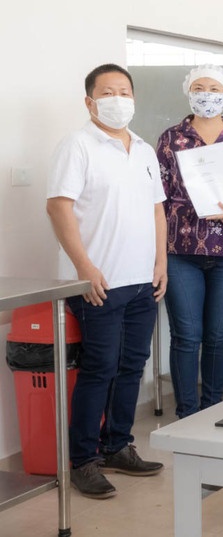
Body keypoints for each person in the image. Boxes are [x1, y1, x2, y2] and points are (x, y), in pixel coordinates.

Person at [46, 64, 167, 499]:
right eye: (108, 91)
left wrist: (161, 263)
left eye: (125, 91)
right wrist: (84, 268)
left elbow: (157, 211)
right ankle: (83, 460)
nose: (118, 98)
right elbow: (59, 207)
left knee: (132, 367)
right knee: (99, 369)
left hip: (142, 281)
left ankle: (118, 445)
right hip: (98, 282)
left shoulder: (145, 149)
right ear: (89, 101)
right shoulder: (77, 145)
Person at [156, 65, 223, 418]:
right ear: (189, 93)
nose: (207, 94)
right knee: (186, 336)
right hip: (180, 251)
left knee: (219, 335)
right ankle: (187, 414)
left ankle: (212, 410)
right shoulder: (171, 138)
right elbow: (157, 195)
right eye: (199, 87)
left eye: (214, 88)